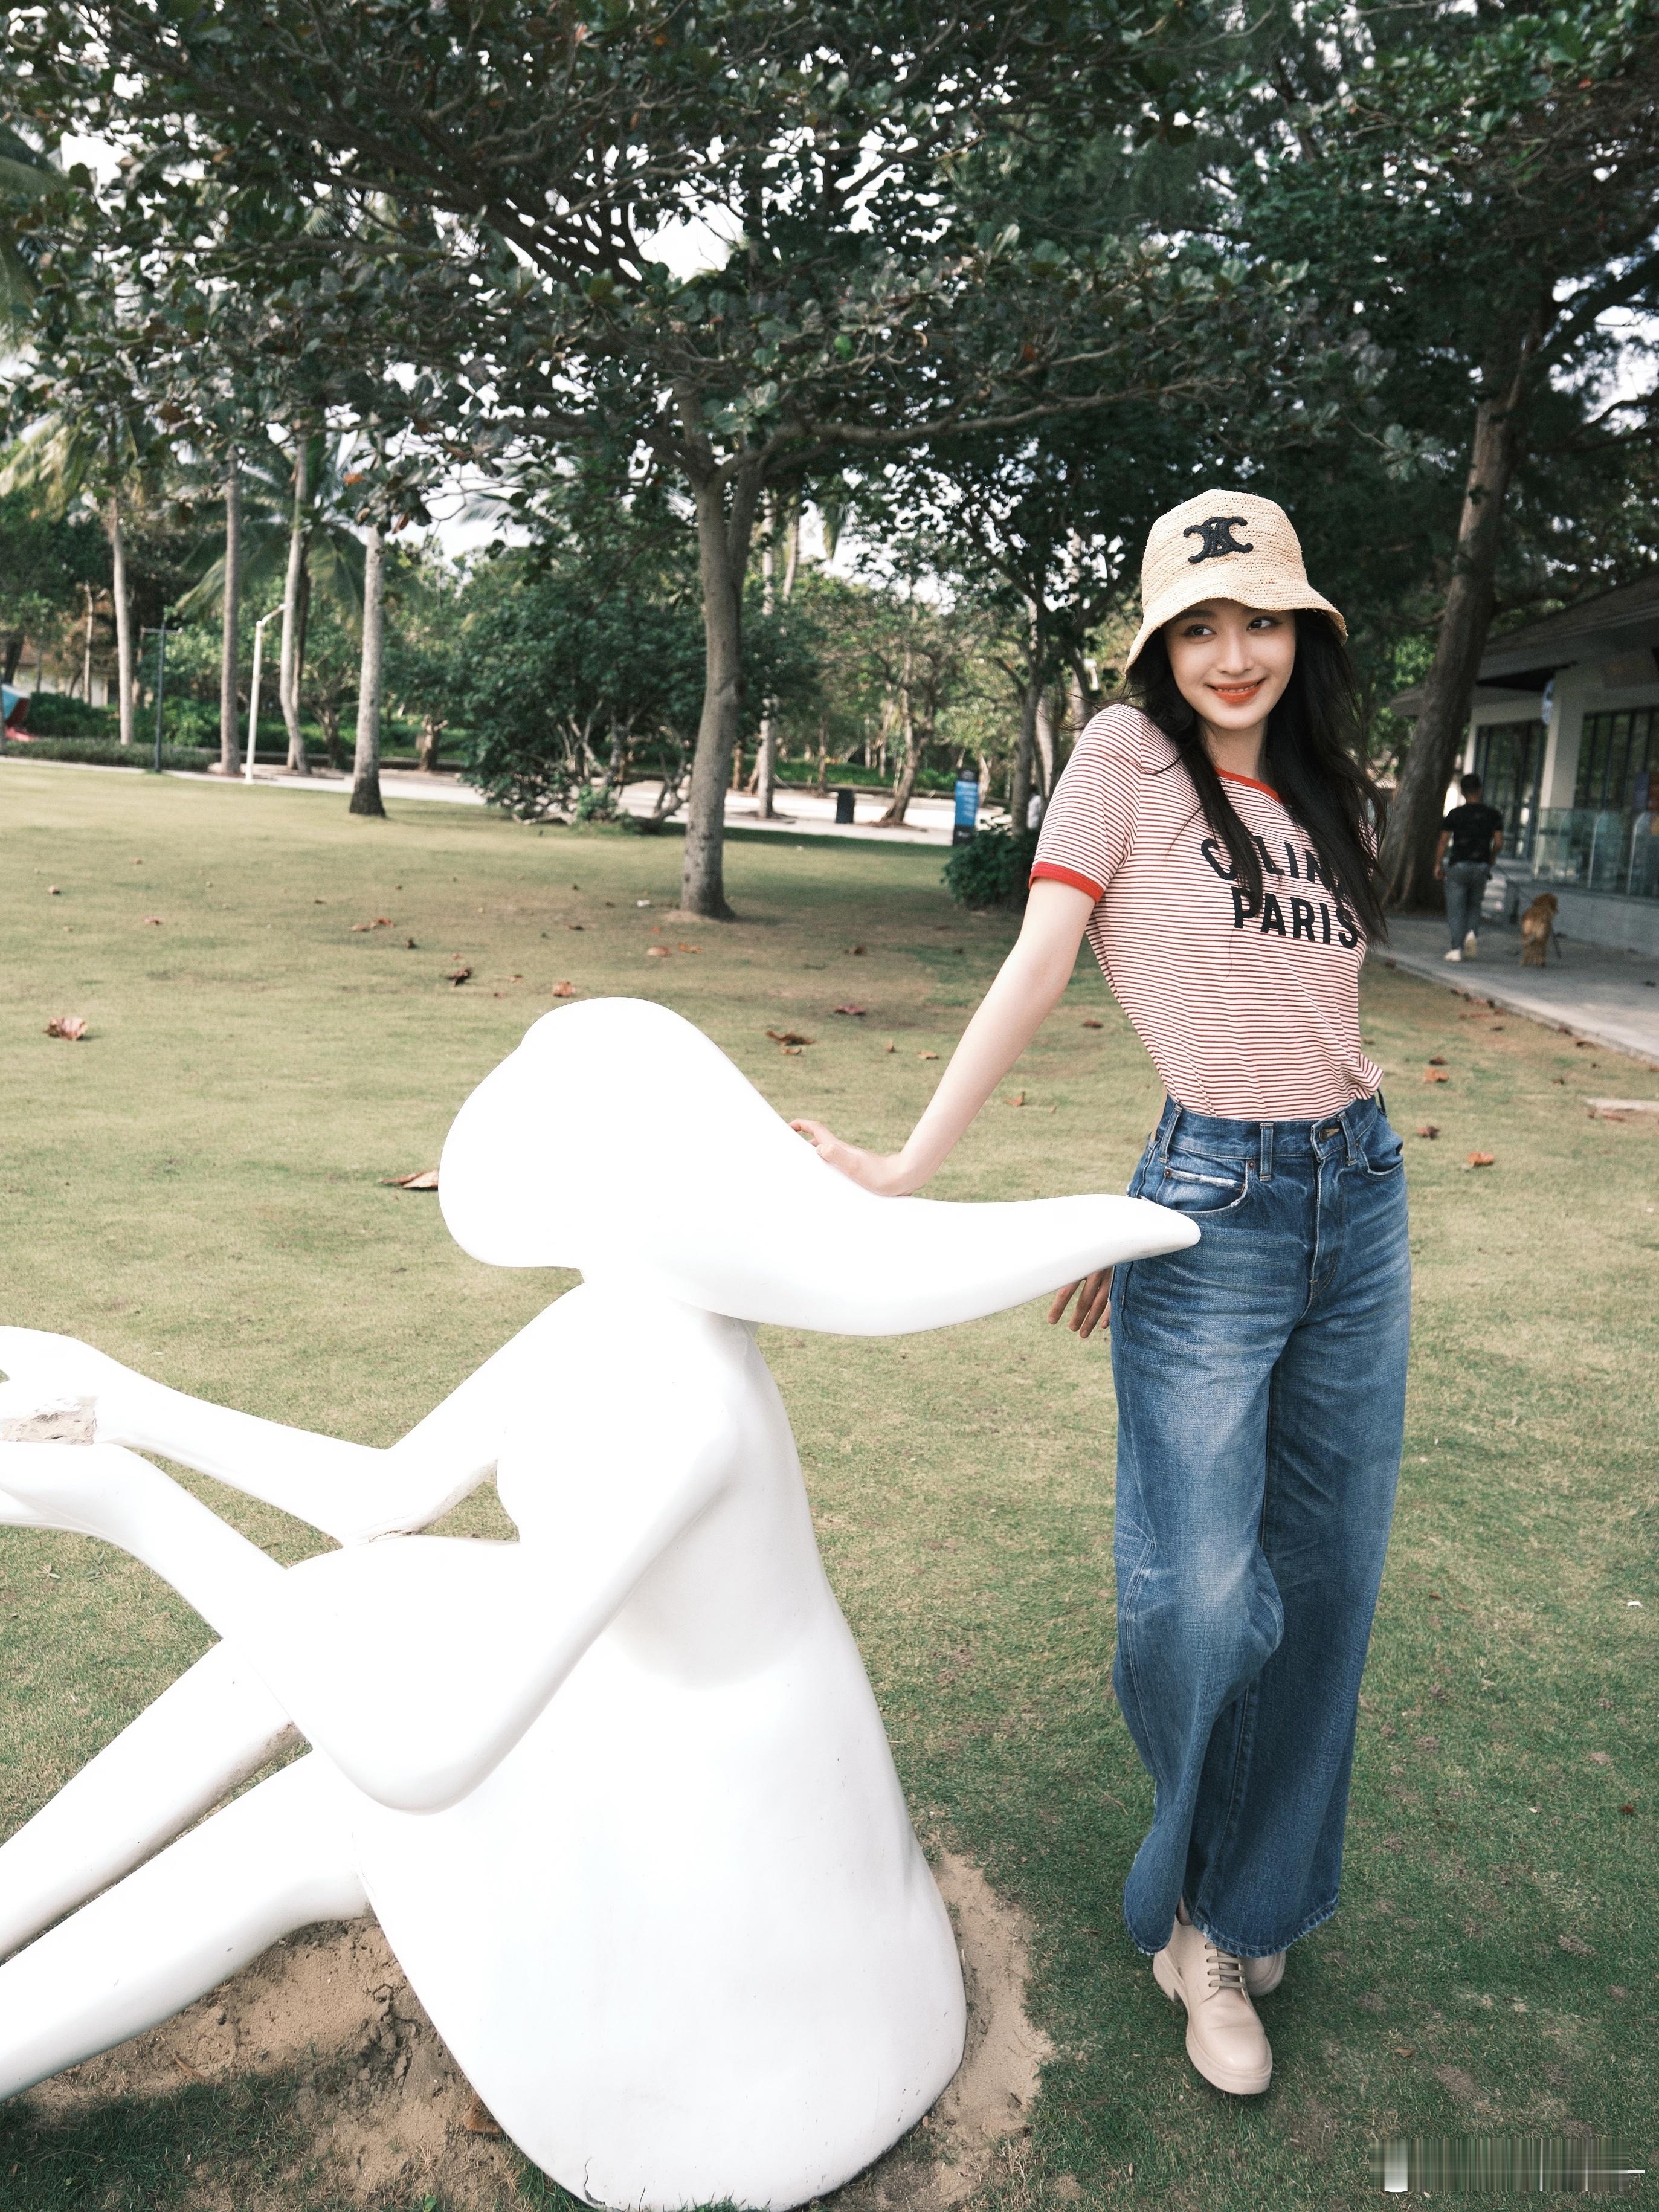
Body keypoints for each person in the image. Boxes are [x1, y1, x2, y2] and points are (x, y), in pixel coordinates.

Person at [793, 491, 1409, 2101]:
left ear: (1302, 633)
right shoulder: (1125, 760)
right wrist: (910, 1165)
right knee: (1197, 1597)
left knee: (1325, 1584)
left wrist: (1180, 1186)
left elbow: (1292, 1015)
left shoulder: (1325, 792)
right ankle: (1197, 1895)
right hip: (1218, 1207)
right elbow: (1040, 963)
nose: (1232, 652)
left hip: (1358, 1196)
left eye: (1260, 619)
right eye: (1199, 625)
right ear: (1157, 645)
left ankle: (1237, 1918)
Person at [1435, 772, 1504, 961]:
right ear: (1480, 790)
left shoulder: (1455, 814)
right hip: (1481, 866)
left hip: (1458, 866)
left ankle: (1456, 949)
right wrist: (1492, 857)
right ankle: (1472, 934)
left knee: (1456, 908)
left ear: (1463, 792)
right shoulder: (1493, 815)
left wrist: (1438, 864)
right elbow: (1499, 842)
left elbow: (1443, 841)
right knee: (1475, 904)